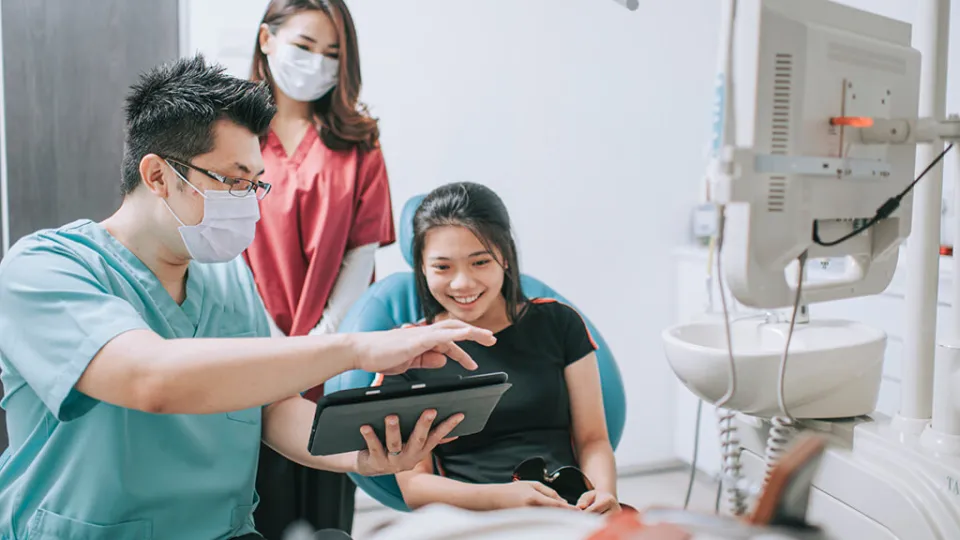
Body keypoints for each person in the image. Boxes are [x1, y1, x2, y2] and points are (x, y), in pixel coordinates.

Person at [0, 55, 494, 540]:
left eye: (255, 184)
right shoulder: (45, 270)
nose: (248, 203)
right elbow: (150, 378)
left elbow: (275, 408)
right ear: (158, 177)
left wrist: (357, 454)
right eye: (234, 181)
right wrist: (356, 347)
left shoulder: (229, 280)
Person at [242, 1, 396, 536]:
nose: (317, 63)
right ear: (267, 39)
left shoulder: (358, 141)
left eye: (332, 54)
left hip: (333, 350)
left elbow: (362, 249)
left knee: (327, 505)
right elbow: (213, 243)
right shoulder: (231, 135)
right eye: (304, 46)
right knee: (255, 493)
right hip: (249, 344)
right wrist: (272, 341)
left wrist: (324, 339)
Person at [377, 182, 622, 515]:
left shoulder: (559, 322)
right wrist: (507, 497)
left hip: (568, 513)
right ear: (421, 266)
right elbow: (415, 486)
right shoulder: (405, 351)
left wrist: (603, 495)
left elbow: (593, 438)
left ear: (505, 257)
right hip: (472, 520)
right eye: (442, 267)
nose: (462, 283)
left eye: (480, 262)